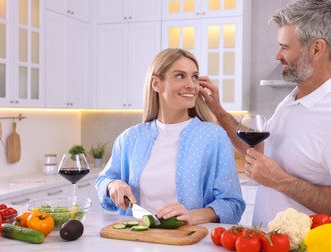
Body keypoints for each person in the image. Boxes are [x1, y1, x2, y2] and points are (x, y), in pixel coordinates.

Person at [198, 0, 331, 232]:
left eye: (285, 47)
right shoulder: (293, 99)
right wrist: (218, 111)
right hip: (270, 244)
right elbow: (260, 151)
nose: (277, 55)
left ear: (317, 48)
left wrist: (280, 181)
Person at [95, 48, 245, 225]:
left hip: (190, 242)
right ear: (156, 84)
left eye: (195, 77)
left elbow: (232, 204)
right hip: (135, 241)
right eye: (180, 76)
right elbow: (103, 180)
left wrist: (192, 216)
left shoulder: (213, 137)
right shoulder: (130, 138)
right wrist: (113, 185)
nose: (191, 84)